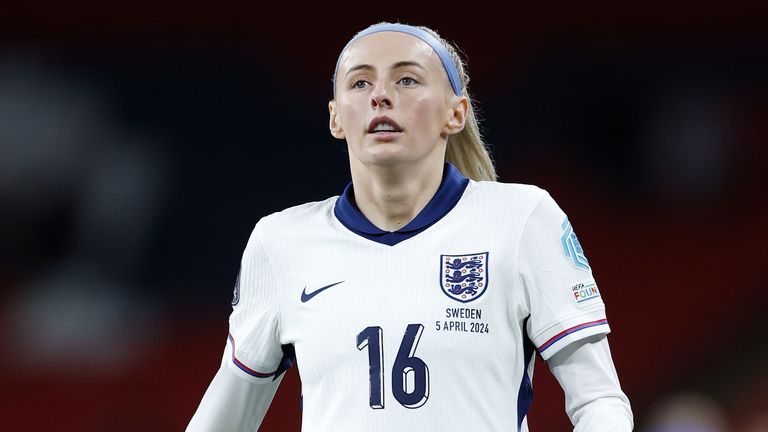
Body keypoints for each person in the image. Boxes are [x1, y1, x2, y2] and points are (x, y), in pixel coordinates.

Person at [187, 22, 633, 431]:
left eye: (406, 80)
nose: (380, 96)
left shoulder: (522, 219)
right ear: (335, 117)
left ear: (456, 113)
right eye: (360, 83)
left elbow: (599, 401)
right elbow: (224, 419)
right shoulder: (281, 242)